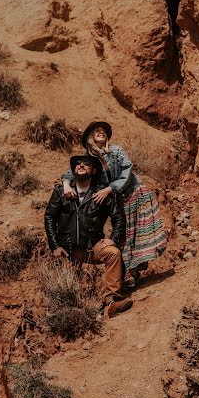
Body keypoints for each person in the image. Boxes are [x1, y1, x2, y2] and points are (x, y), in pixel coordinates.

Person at [62, 121, 167, 288]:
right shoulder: (88, 159)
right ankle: (127, 277)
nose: (101, 132)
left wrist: (110, 189)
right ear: (90, 136)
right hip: (117, 199)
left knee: (133, 234)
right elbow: (70, 173)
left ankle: (131, 273)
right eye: (97, 130)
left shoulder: (116, 151)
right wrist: (66, 184)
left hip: (133, 192)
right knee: (123, 235)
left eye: (103, 131)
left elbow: (127, 170)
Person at [44, 154, 133, 317]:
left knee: (113, 253)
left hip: (93, 246)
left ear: (93, 170)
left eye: (86, 163)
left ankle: (111, 302)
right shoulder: (60, 191)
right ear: (73, 169)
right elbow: (50, 216)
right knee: (64, 287)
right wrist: (55, 245)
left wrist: (112, 240)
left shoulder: (102, 193)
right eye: (77, 163)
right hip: (68, 249)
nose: (81, 165)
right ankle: (69, 313)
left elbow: (118, 217)